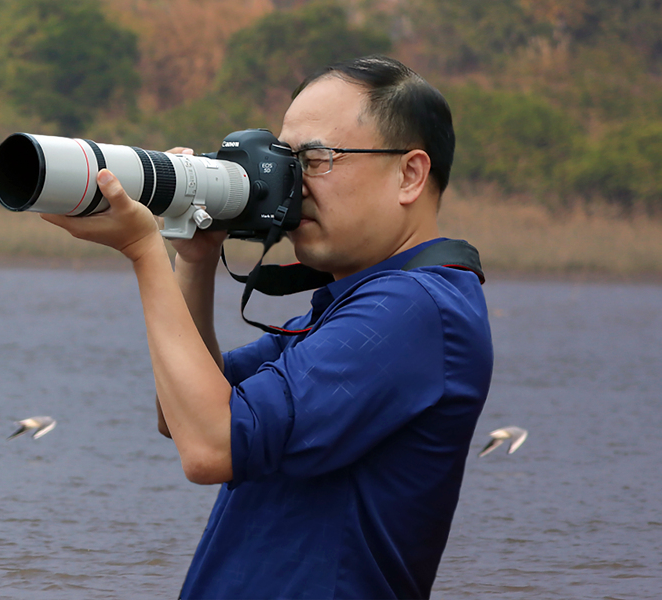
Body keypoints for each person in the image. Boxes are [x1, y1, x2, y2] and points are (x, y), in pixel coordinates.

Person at [41, 55, 493, 599]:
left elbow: (211, 447)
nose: (291, 185)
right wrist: (194, 255)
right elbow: (182, 414)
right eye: (285, 160)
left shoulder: (416, 308)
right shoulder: (352, 304)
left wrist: (143, 251)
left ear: (409, 174)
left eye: (316, 160)